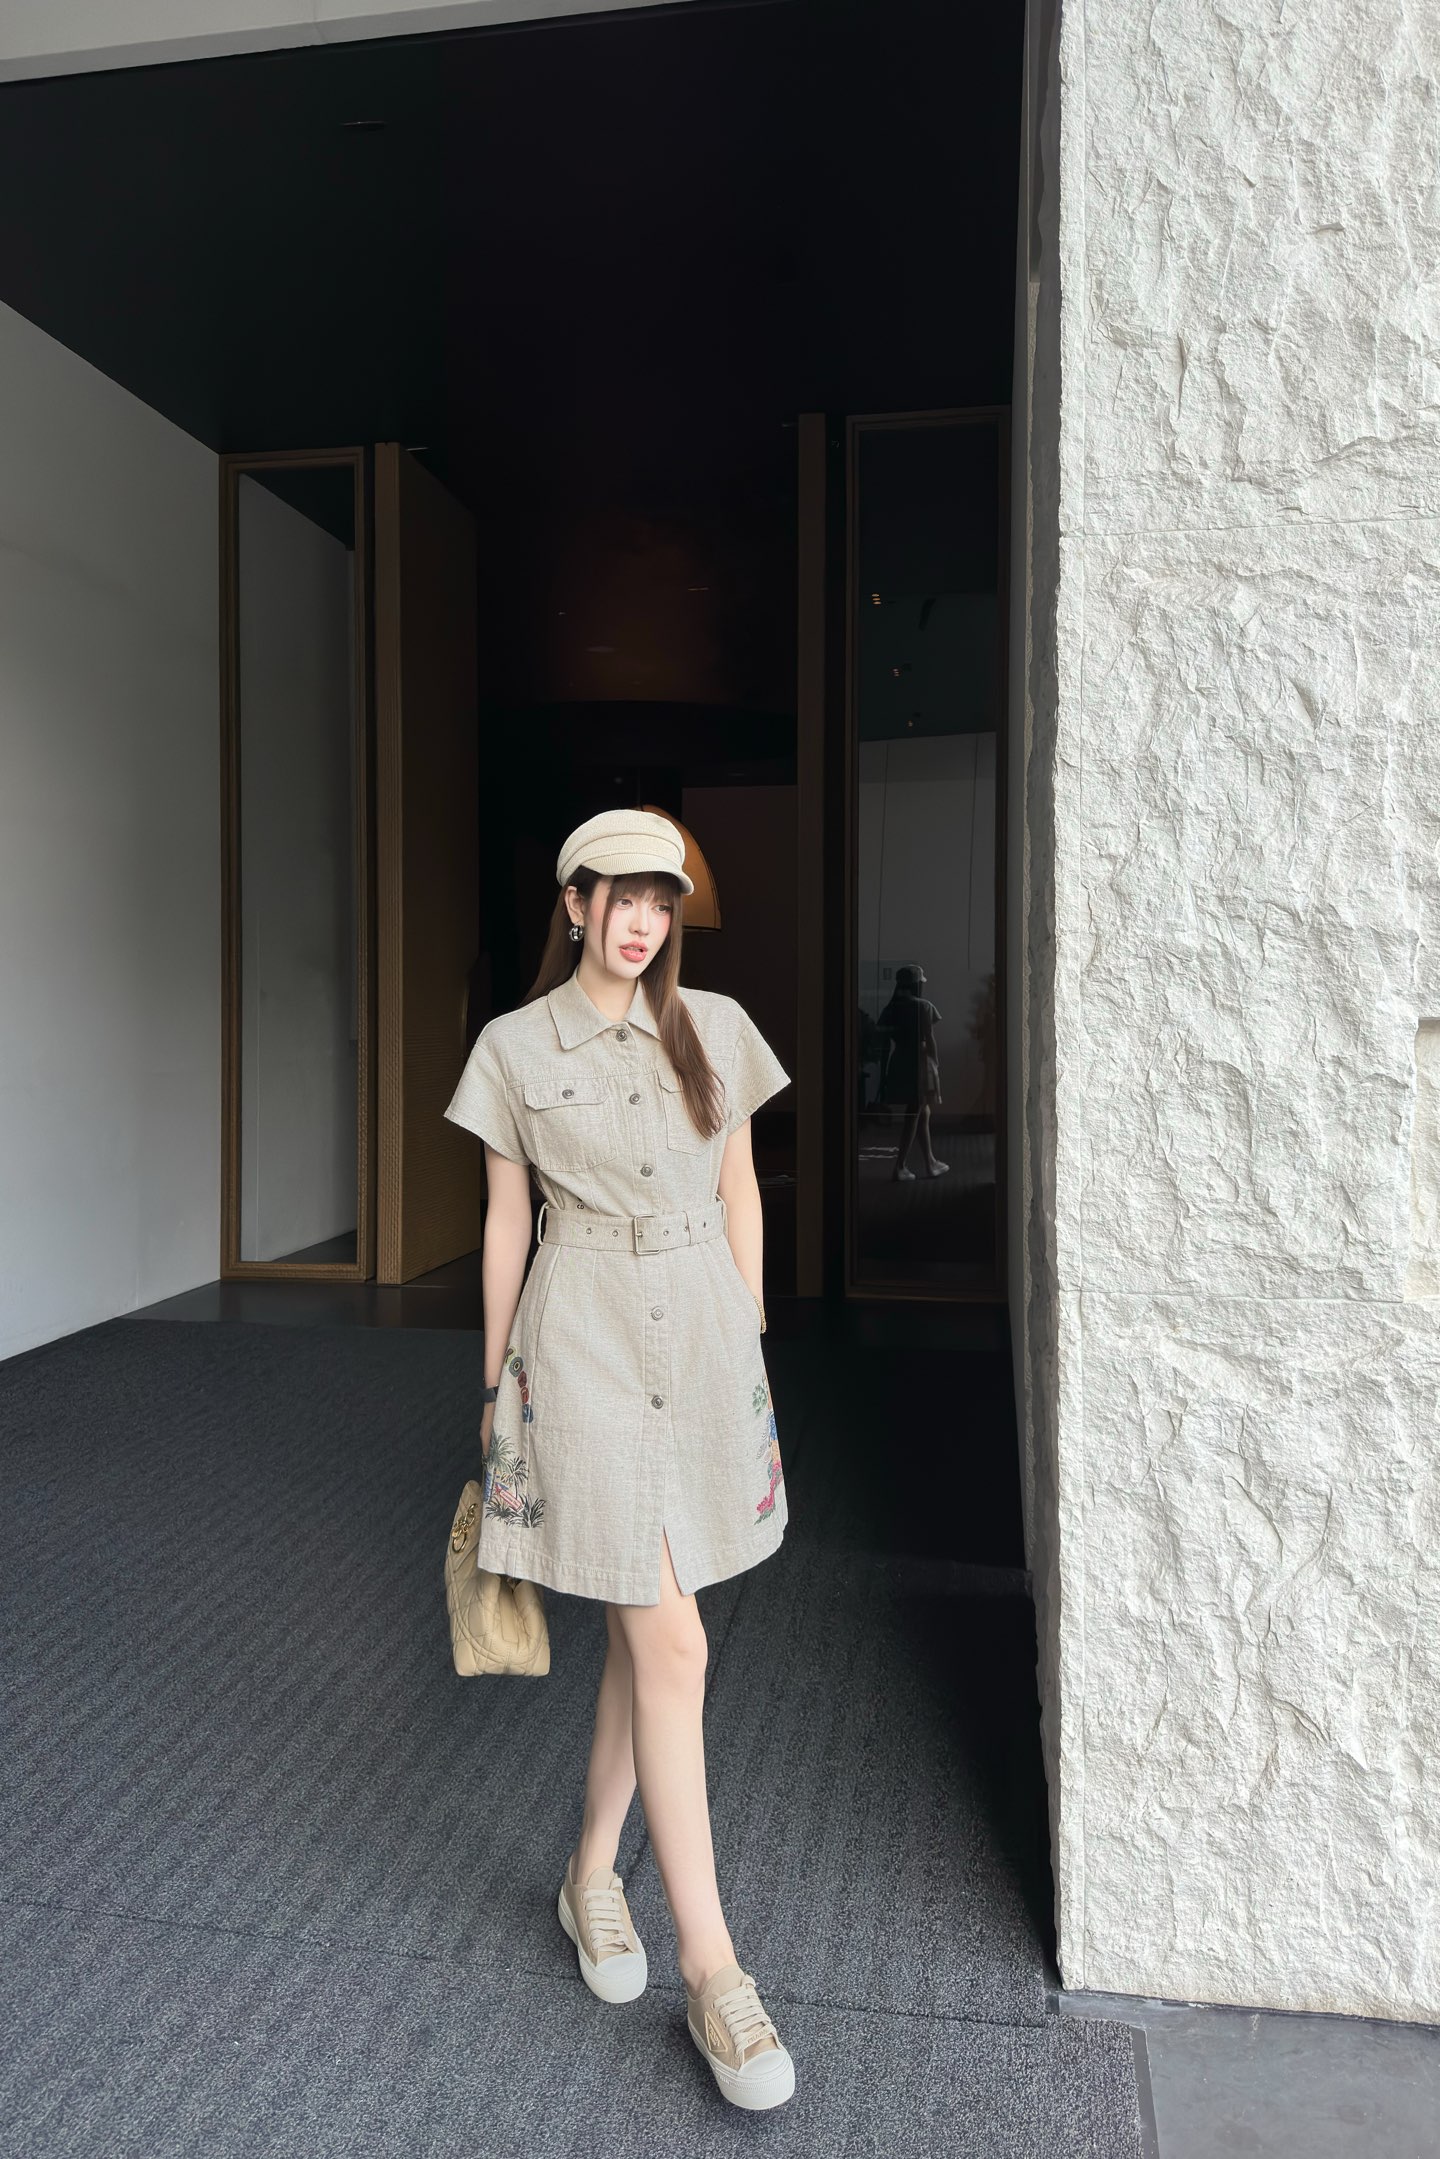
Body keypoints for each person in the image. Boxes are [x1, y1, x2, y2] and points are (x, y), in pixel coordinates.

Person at [443, 806, 796, 2113]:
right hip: (580, 1335)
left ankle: (592, 1871)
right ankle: (713, 1967)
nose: (642, 919)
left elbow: (741, 1186)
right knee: (676, 1641)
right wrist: (498, 1388)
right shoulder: (513, 1046)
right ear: (575, 902)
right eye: (621, 894)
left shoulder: (718, 1028)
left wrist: (749, 1331)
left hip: (699, 1333)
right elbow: (503, 1223)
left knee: (641, 1629)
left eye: (662, 898)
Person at [876, 962, 949, 1181]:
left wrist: (883, 1074)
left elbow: (884, 1044)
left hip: (899, 1062)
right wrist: (935, 1063)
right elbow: (929, 1038)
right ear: (917, 985)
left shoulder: (891, 1008)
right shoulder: (924, 1007)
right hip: (919, 1063)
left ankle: (930, 1161)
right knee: (914, 1113)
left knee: (922, 1111)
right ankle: (900, 1166)